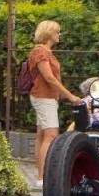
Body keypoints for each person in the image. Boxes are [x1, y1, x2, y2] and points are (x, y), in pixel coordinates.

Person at [27, 20, 82, 171]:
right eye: (57, 32)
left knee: (42, 135)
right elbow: (49, 78)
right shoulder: (41, 52)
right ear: (49, 33)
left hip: (45, 97)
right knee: (51, 135)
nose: (59, 34)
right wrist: (70, 96)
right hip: (44, 97)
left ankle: (40, 176)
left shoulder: (44, 51)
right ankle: (45, 176)